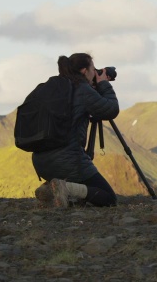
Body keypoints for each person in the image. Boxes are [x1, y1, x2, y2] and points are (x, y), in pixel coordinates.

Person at [32, 53, 119, 208]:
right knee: (108, 197)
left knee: (82, 186)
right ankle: (66, 188)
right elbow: (111, 109)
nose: (95, 72)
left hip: (41, 161)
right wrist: (104, 84)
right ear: (85, 71)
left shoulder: (53, 87)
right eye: (93, 68)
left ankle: (50, 189)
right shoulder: (82, 90)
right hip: (69, 161)